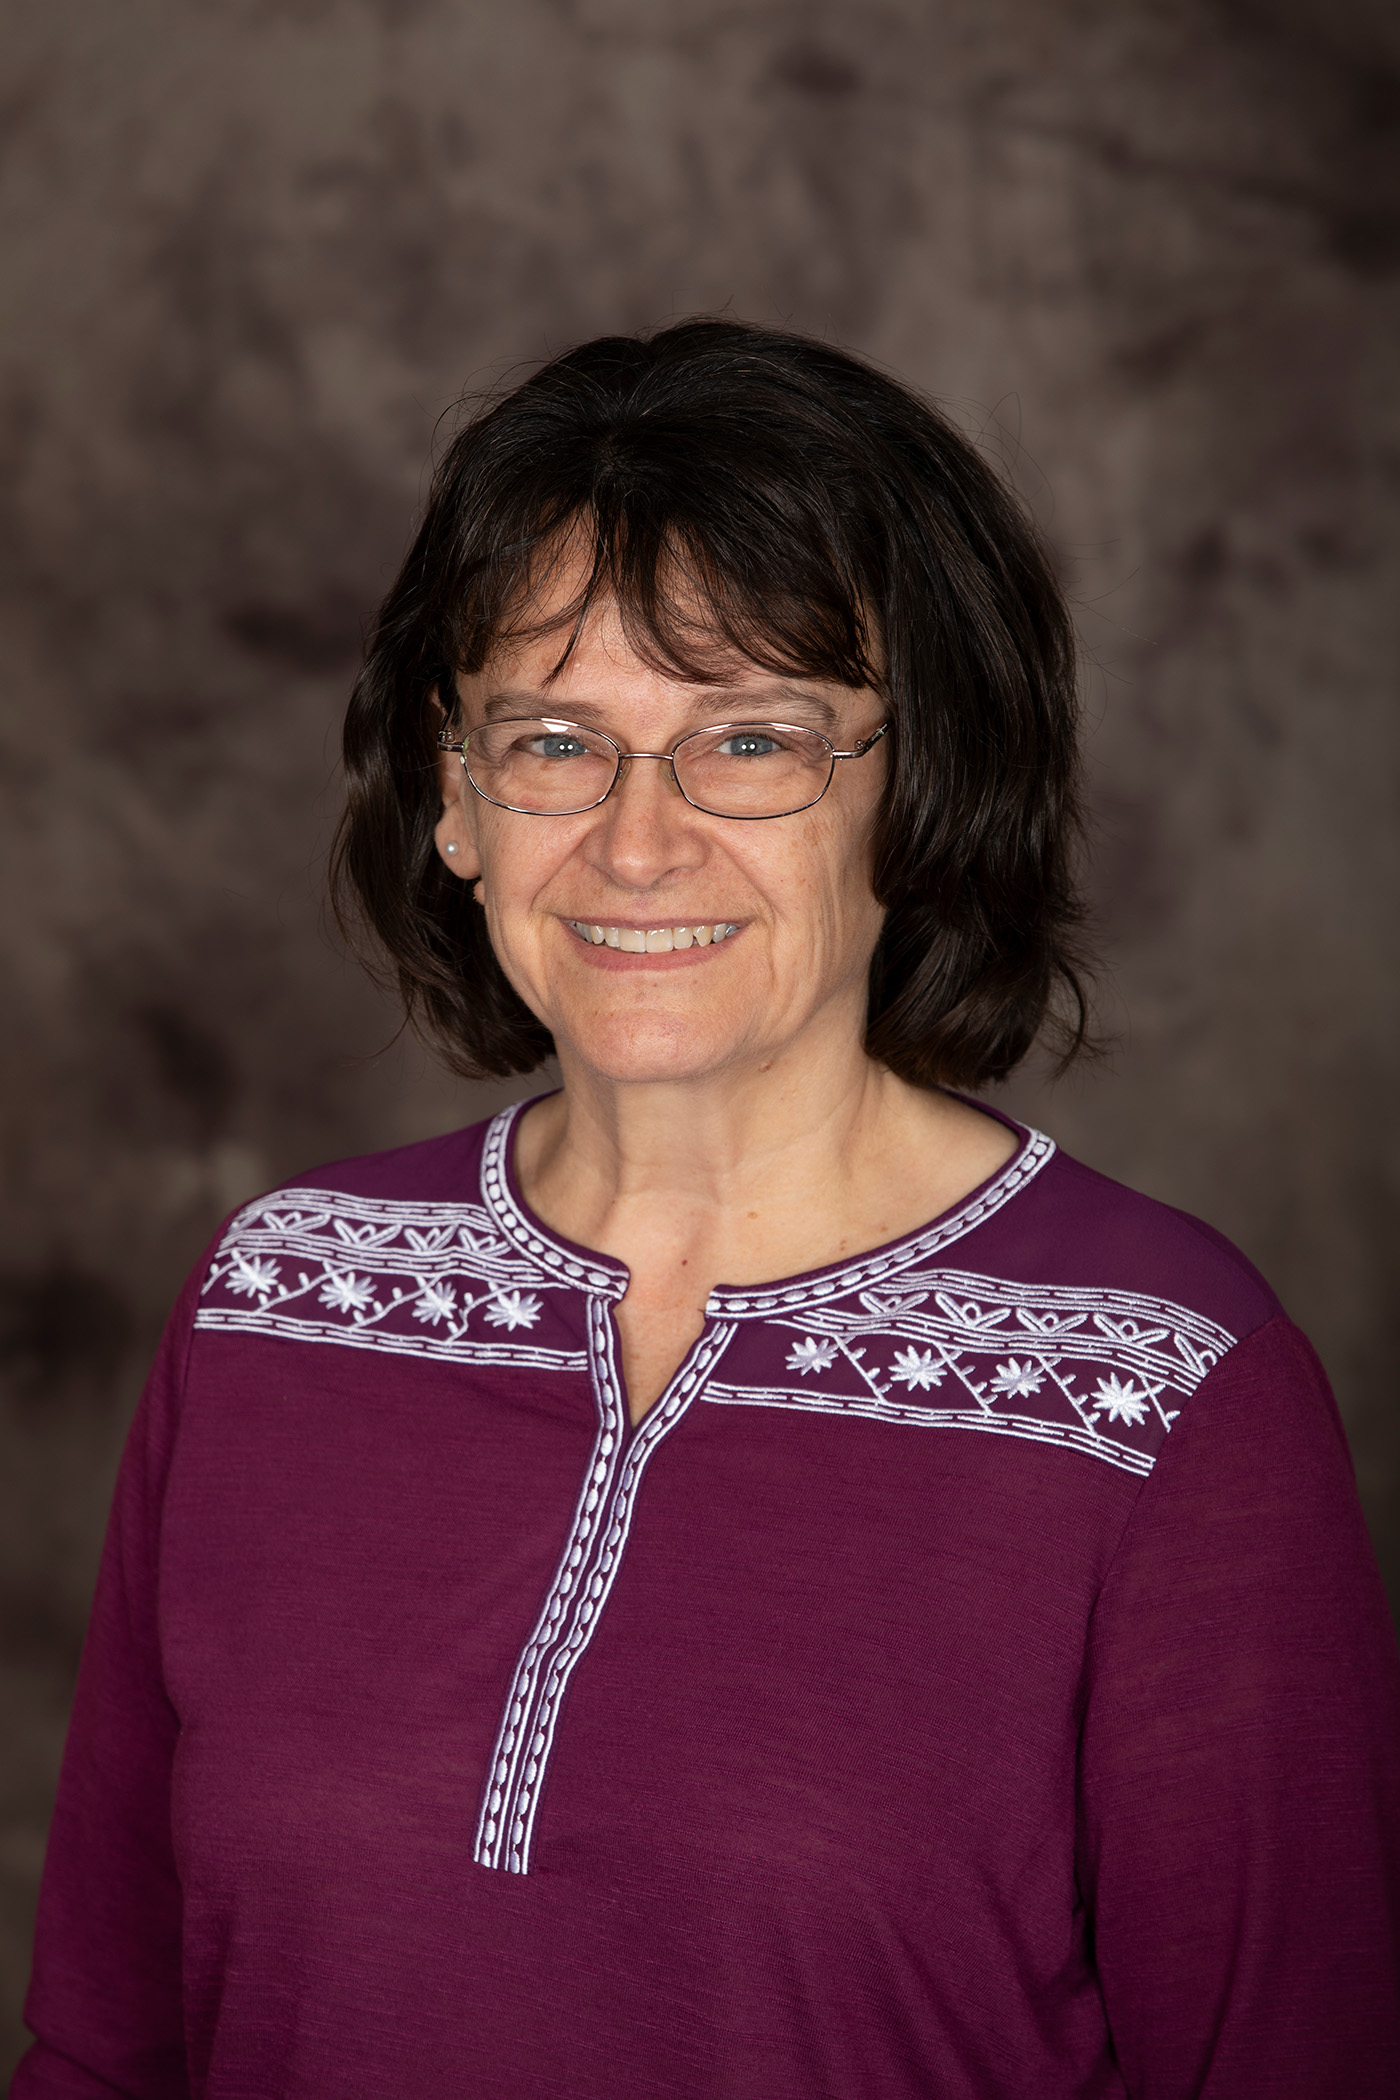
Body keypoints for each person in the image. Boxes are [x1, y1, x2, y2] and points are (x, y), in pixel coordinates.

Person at [15, 321, 1399, 2099]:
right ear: (456, 795)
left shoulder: (1169, 1390)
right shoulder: (276, 1300)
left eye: (753, 740)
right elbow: (105, 2050)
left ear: (917, 786)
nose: (639, 842)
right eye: (557, 740)